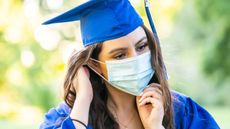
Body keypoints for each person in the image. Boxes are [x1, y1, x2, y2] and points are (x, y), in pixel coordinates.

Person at [40, 0, 220, 129]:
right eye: (119, 56)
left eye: (142, 46)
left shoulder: (183, 112)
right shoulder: (66, 118)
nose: (135, 59)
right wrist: (83, 99)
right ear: (95, 65)